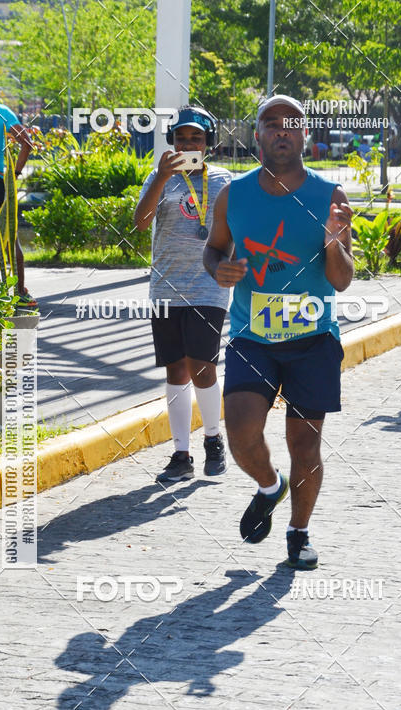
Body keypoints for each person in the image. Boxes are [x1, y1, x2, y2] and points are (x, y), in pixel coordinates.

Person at [203, 95, 353, 570]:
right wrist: (220, 270)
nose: (282, 131)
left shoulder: (330, 197)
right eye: (272, 124)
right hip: (253, 337)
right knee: (241, 434)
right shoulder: (234, 194)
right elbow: (213, 250)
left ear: (304, 133)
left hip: (313, 339)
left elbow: (342, 279)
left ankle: (299, 533)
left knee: (304, 445)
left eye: (291, 124)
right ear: (258, 135)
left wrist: (333, 243)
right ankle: (270, 485)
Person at [135, 106, 232, 482]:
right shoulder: (159, 178)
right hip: (165, 286)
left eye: (196, 138)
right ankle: (180, 454)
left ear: (208, 142)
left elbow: (238, 228)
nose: (187, 144)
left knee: (202, 364)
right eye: (180, 138)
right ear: (171, 141)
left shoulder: (224, 180)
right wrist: (161, 178)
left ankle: (212, 438)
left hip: (208, 284)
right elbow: (140, 223)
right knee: (175, 368)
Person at [0, 91, 34, 303]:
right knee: (10, 237)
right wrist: (14, 175)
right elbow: (27, 143)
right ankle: (19, 291)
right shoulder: (0, 111)